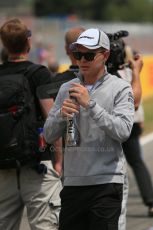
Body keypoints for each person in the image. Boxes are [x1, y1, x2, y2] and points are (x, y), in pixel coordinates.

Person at [44, 28, 135, 230]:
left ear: (105, 55)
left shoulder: (120, 88)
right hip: (73, 184)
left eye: (89, 55)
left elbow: (123, 131)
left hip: (106, 183)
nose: (82, 60)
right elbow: (49, 135)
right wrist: (60, 116)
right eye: (78, 55)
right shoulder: (66, 88)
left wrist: (91, 105)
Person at [0, 18, 62, 230]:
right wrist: (59, 161)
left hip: (3, 168)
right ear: (28, 42)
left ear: (4, 44)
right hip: (36, 165)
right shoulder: (39, 74)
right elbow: (52, 119)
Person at [119, 46, 153, 218]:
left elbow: (135, 98)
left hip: (122, 124)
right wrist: (140, 120)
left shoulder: (122, 73)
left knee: (132, 162)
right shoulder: (131, 72)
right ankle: (151, 201)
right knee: (136, 162)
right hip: (131, 123)